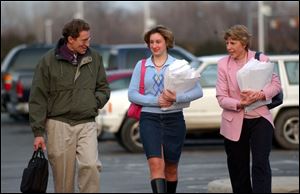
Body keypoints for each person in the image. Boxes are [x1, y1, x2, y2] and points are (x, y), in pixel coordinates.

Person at [29, 19, 110, 193]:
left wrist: (93, 103)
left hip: (86, 122)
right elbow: (38, 97)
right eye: (84, 40)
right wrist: (38, 132)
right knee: (63, 178)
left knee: (91, 166)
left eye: (88, 39)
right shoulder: (48, 61)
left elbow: (103, 87)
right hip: (59, 123)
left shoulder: (95, 58)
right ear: (70, 39)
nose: (87, 44)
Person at [128, 25, 203, 193]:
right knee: (155, 165)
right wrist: (156, 101)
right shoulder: (141, 66)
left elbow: (198, 91)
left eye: (158, 42)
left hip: (174, 120)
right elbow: (132, 94)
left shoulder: (178, 65)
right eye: (151, 42)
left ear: (166, 42)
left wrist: (176, 98)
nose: (154, 45)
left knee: (170, 168)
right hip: (149, 119)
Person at [215, 24, 282, 193]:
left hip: (260, 119)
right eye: (227, 43)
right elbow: (221, 98)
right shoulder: (223, 64)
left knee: (260, 163)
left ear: (244, 43)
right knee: (238, 168)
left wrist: (260, 94)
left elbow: (276, 85)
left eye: (232, 43)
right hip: (234, 121)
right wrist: (240, 103)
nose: (228, 47)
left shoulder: (261, 59)